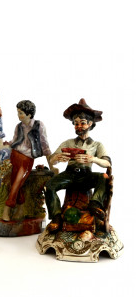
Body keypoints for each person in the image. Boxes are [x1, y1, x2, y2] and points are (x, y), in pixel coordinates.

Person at [45, 98, 111, 233]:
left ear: (90, 124)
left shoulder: (96, 145)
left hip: (86, 175)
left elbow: (107, 163)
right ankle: (56, 217)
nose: (79, 126)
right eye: (76, 124)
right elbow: (51, 160)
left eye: (82, 123)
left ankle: (95, 204)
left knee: (103, 177)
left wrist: (93, 159)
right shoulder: (68, 143)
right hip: (69, 174)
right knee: (49, 186)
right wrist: (57, 158)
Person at [2, 100, 54, 221]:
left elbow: (45, 145)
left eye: (21, 113)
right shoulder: (18, 126)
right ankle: (20, 209)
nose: (18, 115)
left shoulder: (39, 125)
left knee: (16, 183)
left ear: (29, 114)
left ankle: (7, 208)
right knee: (15, 182)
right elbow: (14, 141)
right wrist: (6, 144)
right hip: (15, 156)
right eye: (18, 112)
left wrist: (51, 165)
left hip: (27, 159)